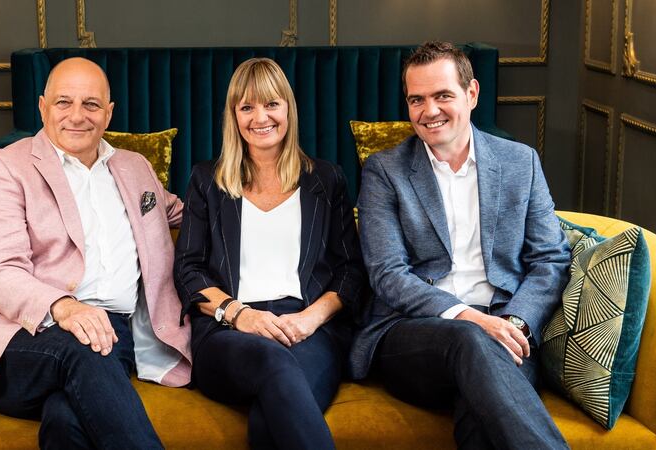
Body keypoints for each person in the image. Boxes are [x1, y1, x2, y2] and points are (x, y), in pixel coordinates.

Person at [0, 57, 191, 450]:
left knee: (67, 417)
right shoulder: (2, 168)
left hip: (114, 338)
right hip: (21, 339)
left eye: (91, 104)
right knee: (85, 351)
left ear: (109, 112)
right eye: (64, 103)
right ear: (43, 107)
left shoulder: (135, 168)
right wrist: (66, 308)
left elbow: (188, 213)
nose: (77, 116)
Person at [349, 41, 571, 449]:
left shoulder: (520, 162)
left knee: (480, 419)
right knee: (470, 339)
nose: (428, 111)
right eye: (417, 100)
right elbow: (387, 274)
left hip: (505, 330)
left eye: (442, 96)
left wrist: (516, 323)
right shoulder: (386, 171)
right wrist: (472, 319)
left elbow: (550, 258)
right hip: (412, 335)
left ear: (471, 94)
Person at [174, 57, 365, 449]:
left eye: (271, 104)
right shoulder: (206, 181)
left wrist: (310, 320)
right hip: (228, 332)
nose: (260, 117)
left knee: (267, 423)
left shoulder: (326, 180)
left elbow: (351, 271)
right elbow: (189, 270)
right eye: (247, 107)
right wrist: (240, 314)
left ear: (288, 109)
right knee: (273, 363)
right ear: (234, 116)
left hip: (309, 330)